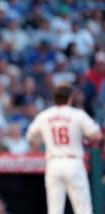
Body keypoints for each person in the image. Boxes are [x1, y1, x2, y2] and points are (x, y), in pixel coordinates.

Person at [26, 84, 102, 214]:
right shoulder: (77, 114)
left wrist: (44, 139)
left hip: (53, 163)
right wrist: (84, 137)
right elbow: (97, 135)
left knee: (55, 210)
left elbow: (31, 138)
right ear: (70, 98)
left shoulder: (45, 115)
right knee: (83, 209)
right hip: (73, 162)